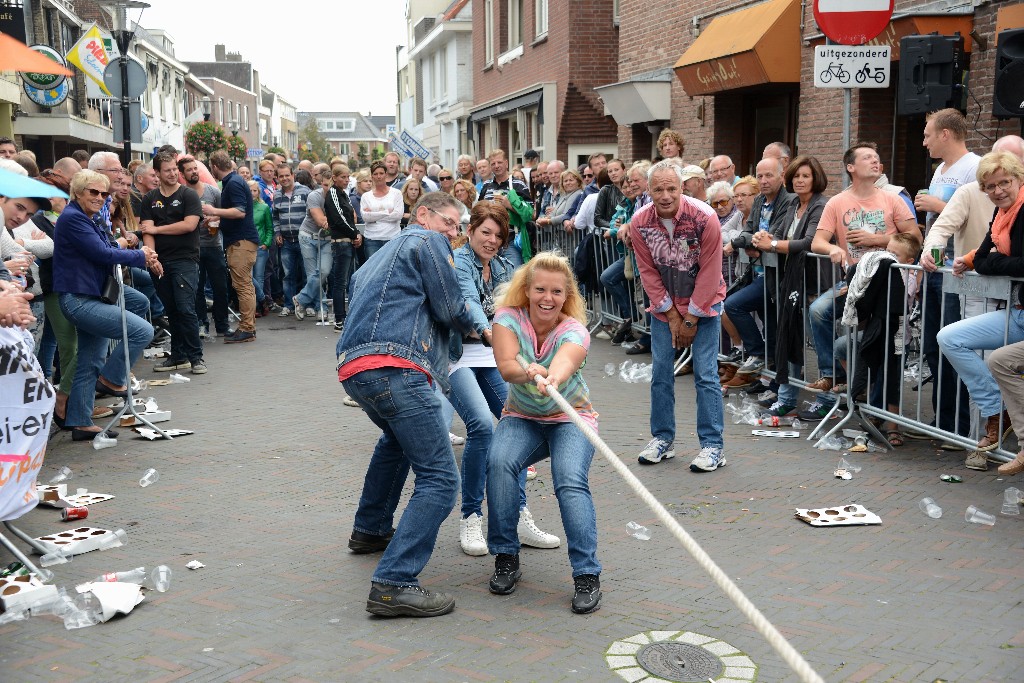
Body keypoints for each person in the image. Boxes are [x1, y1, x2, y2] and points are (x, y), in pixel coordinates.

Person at [338, 191, 475, 618]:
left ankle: (371, 530)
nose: (454, 235)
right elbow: (451, 306)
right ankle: (394, 583)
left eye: (458, 228)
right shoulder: (424, 240)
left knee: (395, 443)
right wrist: (484, 327)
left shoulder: (376, 259)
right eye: (450, 224)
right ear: (423, 215)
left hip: (355, 366)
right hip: (396, 364)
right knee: (440, 479)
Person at [485, 251, 602, 614]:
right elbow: (506, 366)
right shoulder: (506, 318)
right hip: (521, 416)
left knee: (569, 481)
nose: (547, 299)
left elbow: (567, 358)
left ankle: (587, 575)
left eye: (556, 292)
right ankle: (506, 556)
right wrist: (528, 373)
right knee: (500, 462)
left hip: (571, 419)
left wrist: (552, 376)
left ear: (566, 296)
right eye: (540, 290)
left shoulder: (575, 329)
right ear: (527, 289)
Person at [448, 202, 559, 555]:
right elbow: (468, 304)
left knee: (519, 422)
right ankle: (470, 518)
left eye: (499, 235)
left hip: (494, 355)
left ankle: (517, 515)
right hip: (458, 356)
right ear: (470, 231)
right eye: (486, 232)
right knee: (481, 426)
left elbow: (515, 308)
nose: (492, 240)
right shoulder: (458, 262)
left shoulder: (503, 267)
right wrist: (488, 330)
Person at [630, 161, 726, 471]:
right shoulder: (640, 223)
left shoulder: (705, 218)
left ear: (682, 187)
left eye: (672, 188)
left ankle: (713, 446)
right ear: (649, 191)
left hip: (706, 306)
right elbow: (648, 272)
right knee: (660, 373)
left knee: (706, 375)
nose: (666, 195)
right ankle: (663, 438)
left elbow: (711, 272)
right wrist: (672, 315)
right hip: (664, 309)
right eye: (658, 189)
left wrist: (691, 318)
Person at [809, 142, 918, 401]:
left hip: (888, 284)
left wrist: (876, 240)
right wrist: (833, 249)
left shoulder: (892, 199)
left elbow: (915, 237)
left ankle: (874, 400)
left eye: (876, 158)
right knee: (818, 311)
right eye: (867, 157)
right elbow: (817, 241)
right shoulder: (837, 202)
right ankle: (833, 375)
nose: (874, 161)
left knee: (878, 342)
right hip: (854, 282)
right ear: (851, 167)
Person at [54, 170, 158, 440]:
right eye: (93, 192)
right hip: (79, 299)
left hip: (91, 296)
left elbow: (110, 245)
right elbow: (102, 254)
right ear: (77, 192)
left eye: (104, 194)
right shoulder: (73, 218)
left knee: (89, 360)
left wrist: (142, 253)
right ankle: (111, 379)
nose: (100, 198)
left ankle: (79, 422)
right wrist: (139, 256)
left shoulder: (88, 218)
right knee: (142, 331)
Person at [937, 151, 1024, 469]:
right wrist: (976, 260)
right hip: (1016, 313)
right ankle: (995, 410)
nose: (998, 190)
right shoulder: (1002, 214)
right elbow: (986, 253)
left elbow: (1006, 262)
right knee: (949, 337)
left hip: (1020, 313)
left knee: (1001, 362)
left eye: (1004, 182)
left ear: (1018, 179)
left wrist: (989, 263)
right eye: (990, 186)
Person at [747, 156, 830, 418]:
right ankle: (786, 397)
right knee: (789, 339)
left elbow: (807, 242)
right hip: (791, 283)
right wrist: (765, 237)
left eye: (806, 176)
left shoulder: (822, 205)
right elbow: (781, 235)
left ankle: (827, 400)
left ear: (816, 177)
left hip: (815, 283)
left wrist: (771, 245)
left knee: (819, 345)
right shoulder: (794, 203)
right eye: (796, 176)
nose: (801, 181)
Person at [722, 157, 794, 385]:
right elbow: (748, 231)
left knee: (735, 305)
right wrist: (746, 242)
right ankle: (766, 375)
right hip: (761, 274)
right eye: (760, 176)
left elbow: (774, 235)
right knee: (766, 322)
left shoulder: (789, 201)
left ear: (782, 176)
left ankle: (760, 357)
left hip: (778, 277)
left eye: (769, 175)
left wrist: (748, 243)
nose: (763, 181)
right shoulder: (761, 201)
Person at [140, 152, 205, 373]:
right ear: (157, 173)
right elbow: (146, 230)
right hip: (160, 261)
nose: (173, 173)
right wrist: (152, 257)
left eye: (174, 169)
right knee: (172, 309)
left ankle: (196, 358)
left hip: (185, 259)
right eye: (167, 170)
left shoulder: (188, 195)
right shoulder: (149, 199)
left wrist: (158, 229)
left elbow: (189, 225)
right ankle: (178, 356)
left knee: (186, 308)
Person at [203, 150, 260, 344]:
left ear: (215, 167)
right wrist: (217, 217)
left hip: (240, 242)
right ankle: (248, 326)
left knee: (242, 286)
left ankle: (246, 328)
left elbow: (239, 212)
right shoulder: (235, 181)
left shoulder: (234, 183)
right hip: (242, 240)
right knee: (246, 286)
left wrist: (213, 210)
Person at [180, 156, 229, 339]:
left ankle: (222, 325)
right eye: (189, 169)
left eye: (195, 168)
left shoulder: (213, 192)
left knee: (220, 287)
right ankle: (202, 323)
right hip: (193, 247)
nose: (194, 172)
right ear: (182, 173)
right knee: (197, 288)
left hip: (214, 244)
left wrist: (215, 218)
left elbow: (224, 214)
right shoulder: (182, 194)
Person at [324, 164, 361, 333]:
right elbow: (339, 219)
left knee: (346, 281)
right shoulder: (333, 193)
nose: (346, 180)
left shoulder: (343, 194)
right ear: (334, 178)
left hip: (347, 241)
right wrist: (355, 234)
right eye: (343, 177)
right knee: (340, 282)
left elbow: (350, 217)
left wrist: (355, 234)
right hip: (341, 242)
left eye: (348, 177)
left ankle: (344, 317)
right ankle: (339, 319)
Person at [292, 170, 333, 320]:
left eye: (331, 185)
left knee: (323, 271)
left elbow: (353, 216)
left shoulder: (341, 196)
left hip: (327, 239)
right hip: (308, 236)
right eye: (325, 185)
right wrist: (340, 220)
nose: (328, 188)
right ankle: (320, 308)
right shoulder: (314, 196)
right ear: (321, 184)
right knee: (312, 274)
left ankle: (300, 299)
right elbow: (321, 221)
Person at [361, 160, 404, 260]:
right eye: (375, 174)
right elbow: (366, 217)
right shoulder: (366, 196)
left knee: (391, 271)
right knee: (373, 271)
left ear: (386, 174)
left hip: (392, 238)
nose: (378, 176)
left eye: (381, 173)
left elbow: (398, 215)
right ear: (372, 176)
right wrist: (386, 212)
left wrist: (374, 216)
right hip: (372, 239)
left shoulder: (396, 193)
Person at [248, 180, 274, 316]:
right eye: (250, 190)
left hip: (260, 246)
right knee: (248, 277)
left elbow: (270, 228)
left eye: (254, 190)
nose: (252, 193)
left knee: (259, 277)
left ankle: (258, 306)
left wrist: (267, 243)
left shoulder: (264, 208)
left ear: (258, 192)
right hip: (246, 246)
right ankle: (263, 300)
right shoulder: (242, 207)